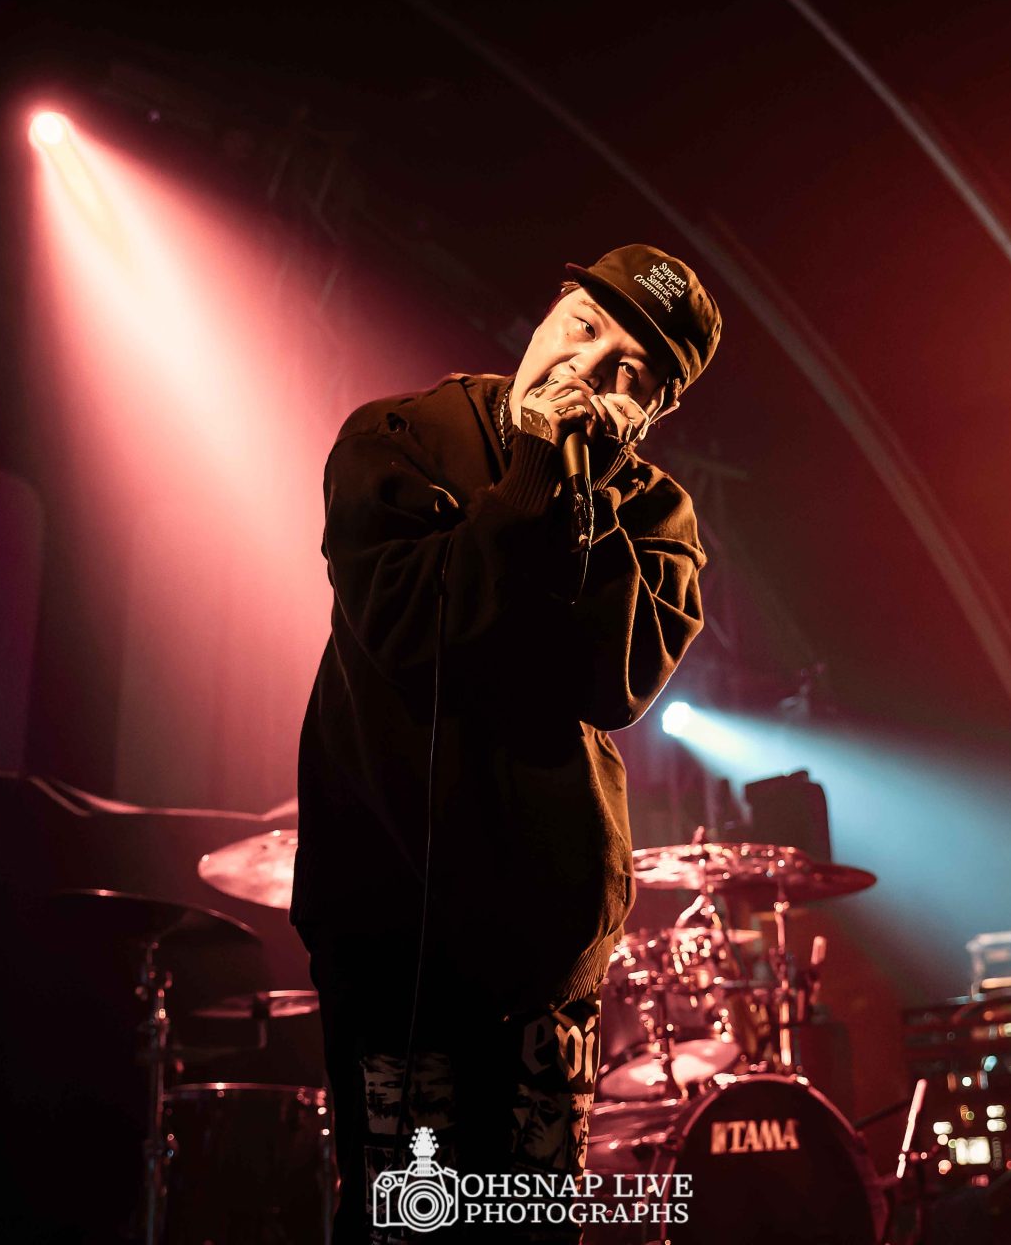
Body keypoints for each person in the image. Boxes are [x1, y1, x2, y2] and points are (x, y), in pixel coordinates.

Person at [292, 244, 721, 1242]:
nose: (586, 368)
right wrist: (531, 479)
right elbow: (415, 630)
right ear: (551, 310)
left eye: (628, 371)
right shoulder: (400, 438)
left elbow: (616, 684)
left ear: (656, 409)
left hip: (547, 954)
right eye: (584, 329)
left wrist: (590, 499)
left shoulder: (656, 514)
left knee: (531, 1224)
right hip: (394, 930)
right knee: (409, 1219)